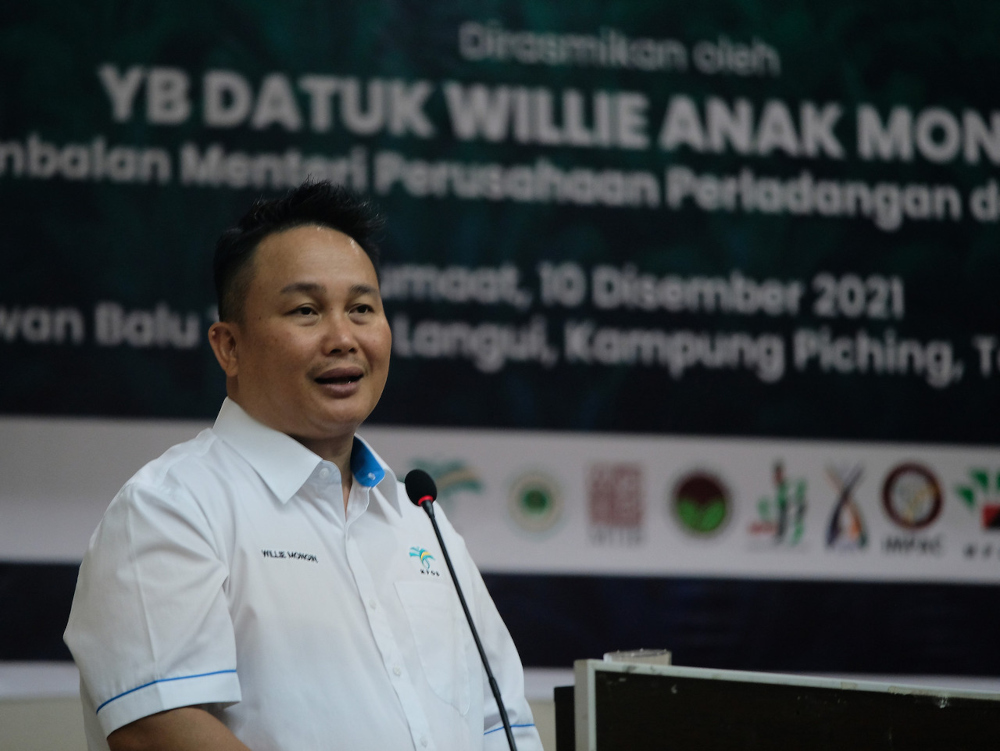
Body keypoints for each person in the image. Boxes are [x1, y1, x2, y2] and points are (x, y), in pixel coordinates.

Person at [64, 181, 542, 751]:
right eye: (306, 311)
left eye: (362, 309)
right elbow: (158, 730)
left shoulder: (422, 521)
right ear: (229, 347)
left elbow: (503, 729)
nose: (343, 338)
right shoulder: (170, 508)